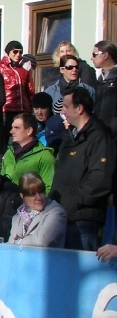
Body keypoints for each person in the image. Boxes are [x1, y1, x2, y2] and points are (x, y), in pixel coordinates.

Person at [50, 88, 115, 251]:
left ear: (79, 109)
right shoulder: (70, 137)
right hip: (62, 215)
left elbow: (100, 179)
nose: (62, 111)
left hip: (83, 220)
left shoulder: (99, 137)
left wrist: (73, 201)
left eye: (65, 106)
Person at [7, 172, 66, 247]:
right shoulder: (18, 216)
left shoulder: (56, 212)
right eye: (32, 194)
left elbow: (41, 241)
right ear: (22, 196)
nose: (39, 198)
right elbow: (10, 244)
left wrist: (18, 242)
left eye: (41, 192)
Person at [2, 113, 55, 190]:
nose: (11, 131)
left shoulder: (45, 156)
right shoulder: (9, 153)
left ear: (29, 131)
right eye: (12, 127)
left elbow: (49, 188)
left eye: (16, 128)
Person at [89, 40, 117, 135]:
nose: (91, 58)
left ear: (105, 55)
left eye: (94, 54)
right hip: (101, 136)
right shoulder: (100, 81)